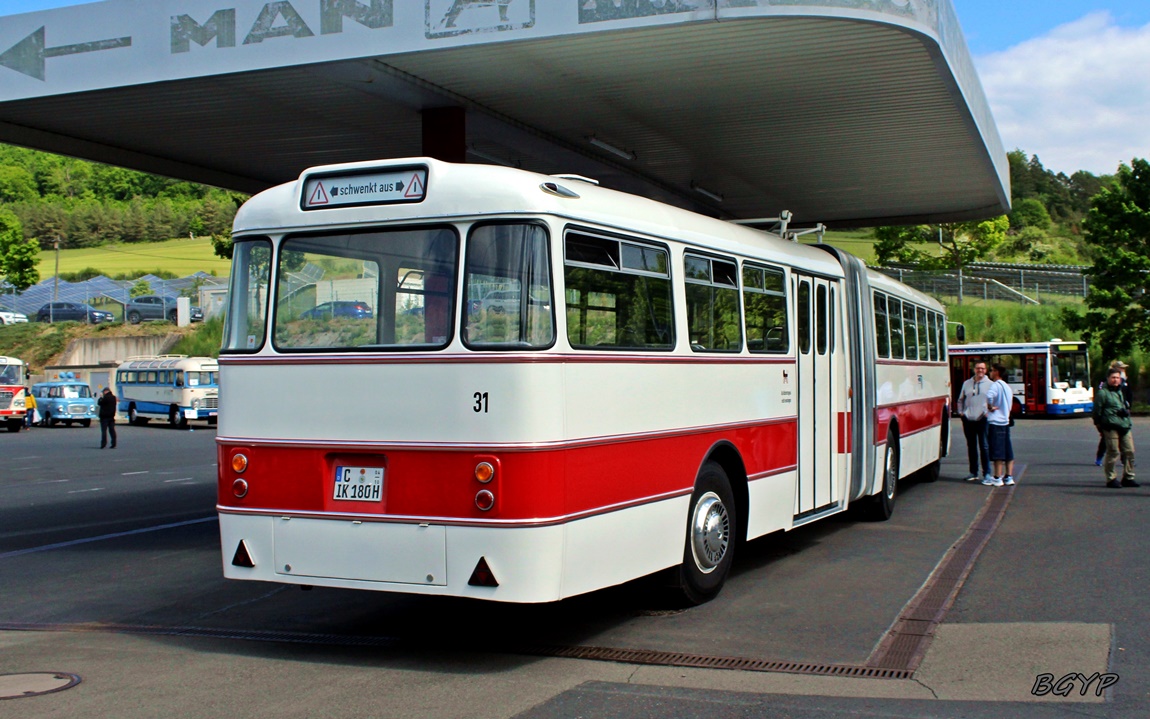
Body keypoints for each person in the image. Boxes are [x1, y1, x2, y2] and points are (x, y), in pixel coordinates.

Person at [1093, 366, 1138, 489]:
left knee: (1129, 451)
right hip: (1110, 426)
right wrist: (1100, 426)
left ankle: (1128, 477)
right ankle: (1111, 478)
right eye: (1113, 377)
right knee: (1113, 452)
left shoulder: (1120, 391)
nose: (1116, 380)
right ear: (1107, 378)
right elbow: (1096, 412)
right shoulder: (1102, 393)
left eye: (1118, 378)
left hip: (1124, 425)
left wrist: (1125, 411)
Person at [956, 361, 992, 482]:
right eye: (978, 368)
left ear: (986, 370)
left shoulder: (990, 384)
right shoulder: (967, 383)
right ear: (974, 369)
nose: (980, 370)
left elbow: (994, 401)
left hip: (983, 419)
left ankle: (987, 473)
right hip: (968, 419)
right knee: (971, 446)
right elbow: (960, 399)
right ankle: (973, 472)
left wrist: (987, 413)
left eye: (982, 368)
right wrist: (961, 413)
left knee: (984, 446)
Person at [983, 364, 1015, 486]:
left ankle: (997, 477)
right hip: (1005, 421)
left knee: (997, 450)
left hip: (996, 421)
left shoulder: (995, 385)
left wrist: (990, 407)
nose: (990, 373)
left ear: (997, 372)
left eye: (991, 370)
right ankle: (1009, 476)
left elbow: (989, 396)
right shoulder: (1007, 386)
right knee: (1007, 450)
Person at [1095, 360, 1133, 465]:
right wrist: (1099, 422)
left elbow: (1129, 394)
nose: (1123, 370)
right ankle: (1099, 457)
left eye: (1123, 368)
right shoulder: (1106, 382)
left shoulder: (1124, 381)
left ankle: (1125, 460)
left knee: (1125, 439)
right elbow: (1100, 402)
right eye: (1121, 368)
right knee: (1107, 439)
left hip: (1122, 414)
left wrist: (1128, 407)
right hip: (1110, 416)